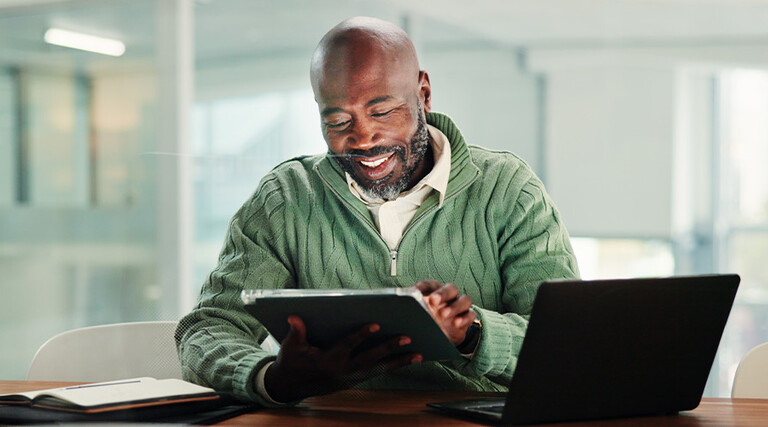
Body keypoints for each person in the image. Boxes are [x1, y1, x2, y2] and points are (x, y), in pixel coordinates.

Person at [176, 16, 579, 406]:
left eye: (382, 112)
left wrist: (470, 332)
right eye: (337, 120)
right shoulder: (285, 197)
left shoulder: (507, 189)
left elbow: (566, 348)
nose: (364, 138)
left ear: (423, 93)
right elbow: (206, 329)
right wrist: (271, 378)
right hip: (330, 420)